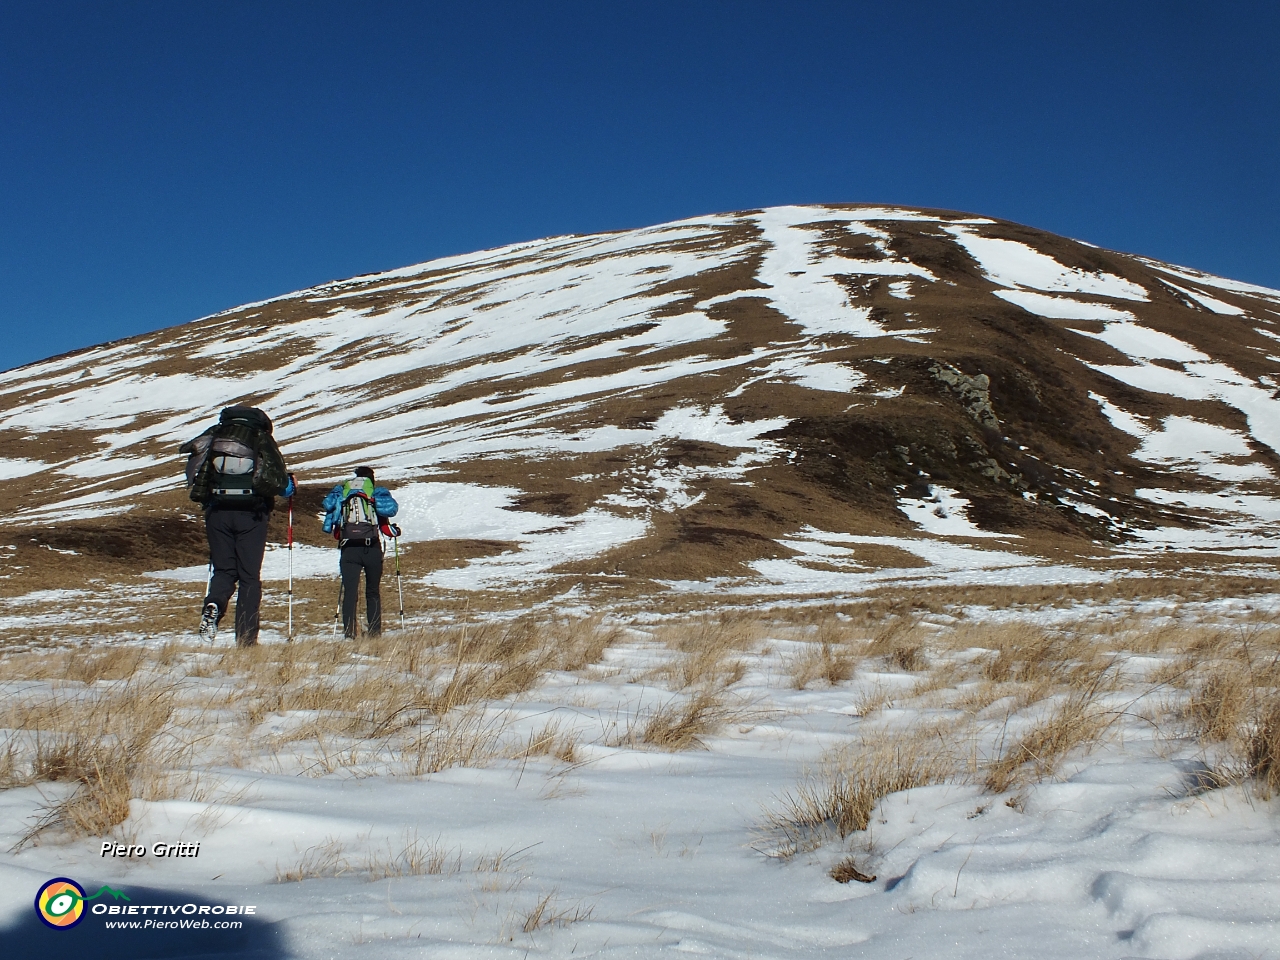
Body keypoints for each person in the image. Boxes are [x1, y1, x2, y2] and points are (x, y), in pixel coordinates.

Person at [180, 406, 295, 646]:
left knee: (224, 571)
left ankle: (214, 603)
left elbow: (196, 472)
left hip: (217, 513)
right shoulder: (260, 439)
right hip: (251, 514)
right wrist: (291, 485)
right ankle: (246, 640)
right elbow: (280, 484)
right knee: (249, 577)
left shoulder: (215, 435)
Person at [322, 466, 399, 638]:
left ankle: (349, 634)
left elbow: (330, 515)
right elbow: (388, 516)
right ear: (372, 479)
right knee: (372, 591)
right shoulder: (374, 494)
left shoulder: (344, 492)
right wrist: (395, 532)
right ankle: (374, 633)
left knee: (350, 592)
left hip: (348, 549)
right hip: (371, 548)